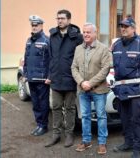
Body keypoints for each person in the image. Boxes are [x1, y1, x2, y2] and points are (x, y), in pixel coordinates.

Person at [111, 16, 140, 158]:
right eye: (121, 26)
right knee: (124, 119)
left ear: (133, 28)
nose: (123, 29)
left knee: (136, 120)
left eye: (126, 26)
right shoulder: (117, 44)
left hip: (137, 91)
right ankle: (128, 143)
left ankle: (137, 149)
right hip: (121, 91)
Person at [44, 9, 83, 148]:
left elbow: (81, 59)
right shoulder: (53, 35)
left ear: (69, 20)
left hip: (70, 78)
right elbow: (51, 57)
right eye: (58, 18)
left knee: (70, 108)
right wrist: (50, 75)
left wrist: (79, 78)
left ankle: (69, 135)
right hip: (55, 79)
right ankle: (56, 135)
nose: (59, 21)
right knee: (55, 107)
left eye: (62, 18)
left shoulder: (77, 37)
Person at [71, 23, 111, 155]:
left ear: (95, 33)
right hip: (83, 89)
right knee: (85, 116)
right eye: (84, 32)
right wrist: (82, 82)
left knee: (101, 116)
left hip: (98, 90)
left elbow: (105, 69)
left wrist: (90, 83)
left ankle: (102, 143)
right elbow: (73, 68)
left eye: (89, 32)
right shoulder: (78, 49)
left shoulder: (103, 49)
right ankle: (86, 140)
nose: (86, 34)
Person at [23, 15, 50, 136]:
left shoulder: (46, 40)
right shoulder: (29, 40)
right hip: (31, 78)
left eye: (36, 25)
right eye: (32, 25)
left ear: (41, 26)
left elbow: (51, 60)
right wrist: (25, 74)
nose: (34, 27)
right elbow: (26, 58)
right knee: (35, 104)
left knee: (43, 103)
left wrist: (49, 76)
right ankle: (39, 124)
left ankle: (44, 126)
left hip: (42, 79)